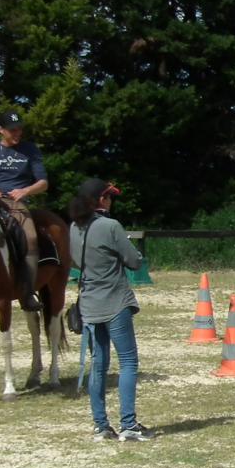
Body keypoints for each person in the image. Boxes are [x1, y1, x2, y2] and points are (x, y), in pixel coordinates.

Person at [69, 178, 153, 442]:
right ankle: (128, 424)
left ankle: (101, 425)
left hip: (89, 304)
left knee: (98, 364)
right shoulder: (110, 226)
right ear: (100, 200)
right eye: (109, 197)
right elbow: (133, 261)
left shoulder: (73, 227)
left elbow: (75, 261)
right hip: (115, 301)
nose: (111, 201)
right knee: (128, 361)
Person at [0, 110, 49, 311]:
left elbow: (43, 182)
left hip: (16, 202)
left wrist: (26, 190)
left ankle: (27, 293)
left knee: (31, 238)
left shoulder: (30, 150)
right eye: (12, 130)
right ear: (1, 130)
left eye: (19, 129)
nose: (17, 133)